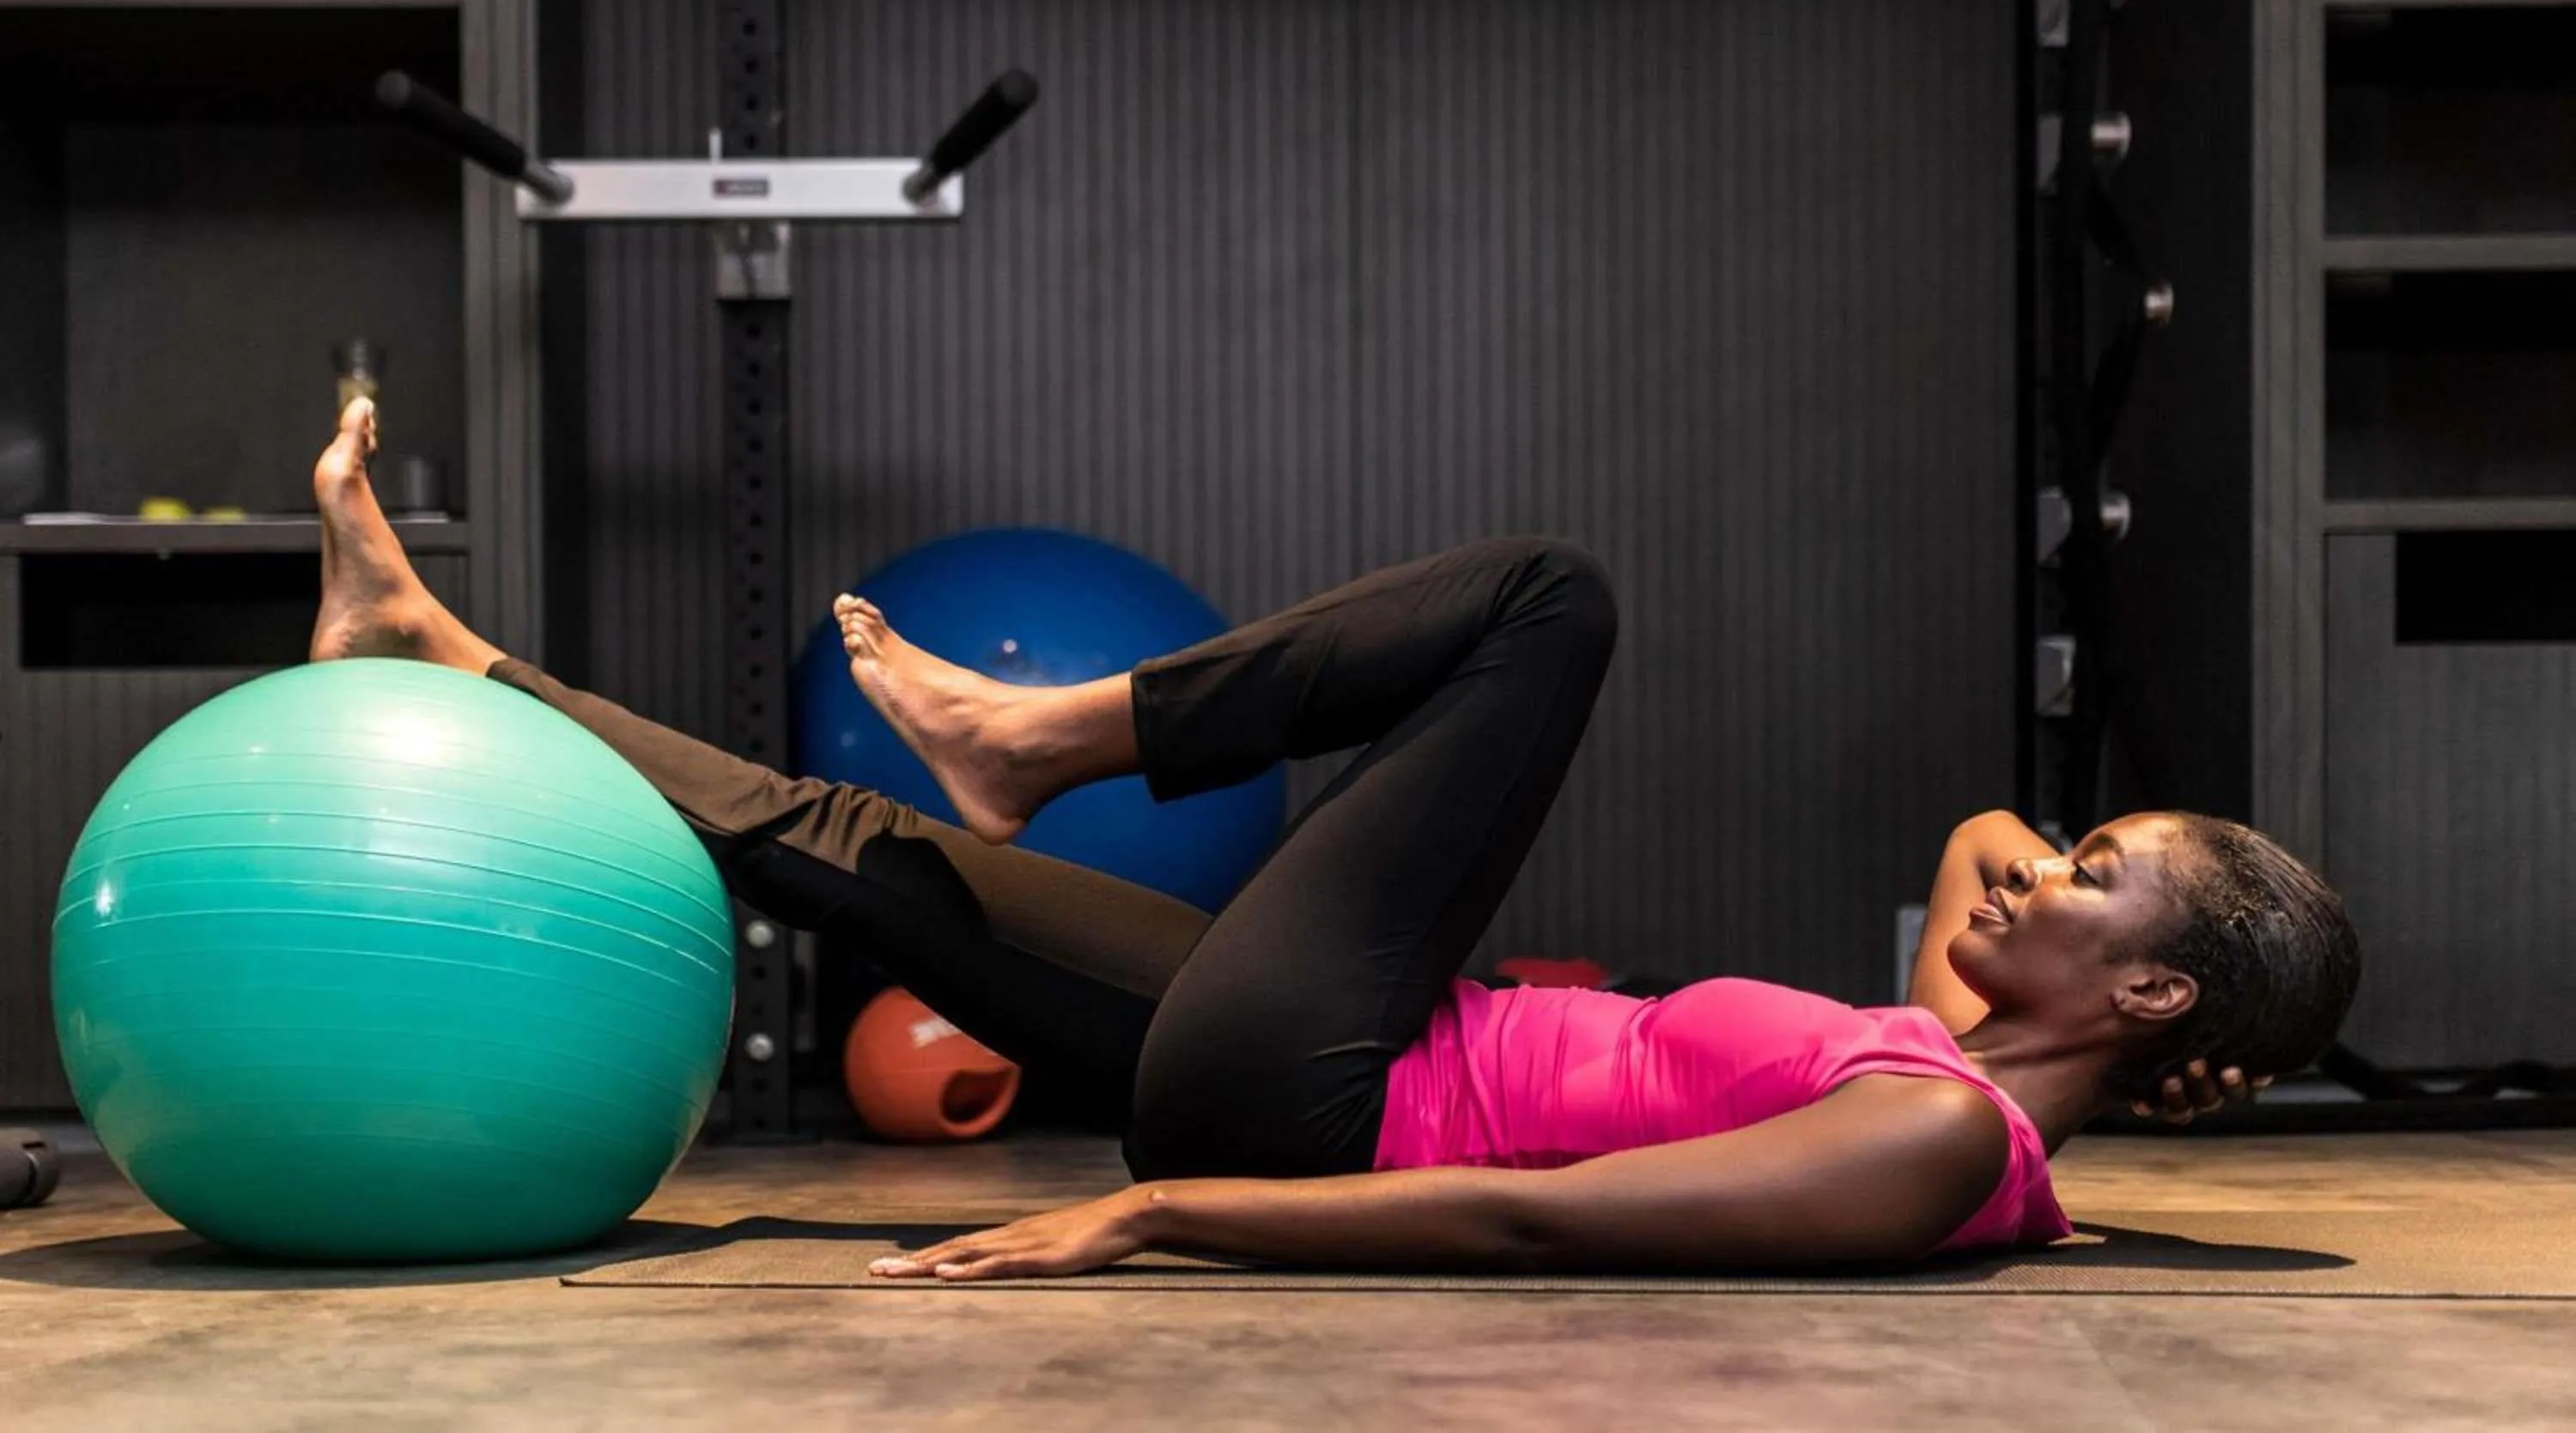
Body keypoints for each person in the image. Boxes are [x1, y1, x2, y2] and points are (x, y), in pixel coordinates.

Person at [305, 398, 2360, 1280]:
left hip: (1332, 1103)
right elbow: (1979, 825)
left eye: (2095, 879)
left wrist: (1158, 1219)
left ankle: (1037, 732)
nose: (2032, 868)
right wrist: (2078, 898)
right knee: (860, 843)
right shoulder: (1960, 1066)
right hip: (1293, 1056)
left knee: (1547, 601)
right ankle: (445, 649)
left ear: (2154, 986)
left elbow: (1538, 1230)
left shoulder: (1932, 1144)